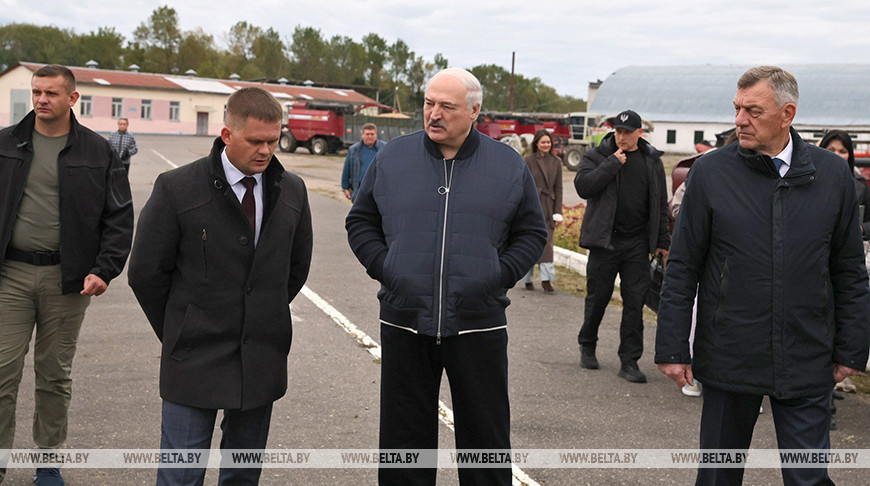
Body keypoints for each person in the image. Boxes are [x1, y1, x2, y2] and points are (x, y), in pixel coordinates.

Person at [656, 66, 870, 485]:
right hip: (730, 354)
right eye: (737, 109)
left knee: (808, 479)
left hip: (808, 354)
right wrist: (672, 346)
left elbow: (849, 270)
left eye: (753, 111)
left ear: (787, 114)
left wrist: (851, 350)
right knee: (718, 476)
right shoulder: (711, 173)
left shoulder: (831, 176)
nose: (739, 120)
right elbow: (682, 267)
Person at [346, 68, 547, 485]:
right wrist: (389, 268)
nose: (434, 114)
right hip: (405, 320)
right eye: (428, 103)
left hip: (478, 322)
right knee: (404, 444)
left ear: (474, 111)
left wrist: (497, 275)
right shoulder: (393, 158)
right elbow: (361, 221)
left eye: (447, 106)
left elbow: (532, 233)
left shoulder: (507, 165)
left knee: (485, 443)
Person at [128, 87, 313, 485]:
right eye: (256, 141)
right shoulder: (177, 188)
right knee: (180, 475)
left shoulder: (292, 190)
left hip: (261, 359)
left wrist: (261, 315)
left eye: (273, 140)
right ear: (227, 134)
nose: (266, 150)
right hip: (193, 359)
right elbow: (145, 273)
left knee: (243, 475)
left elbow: (295, 269)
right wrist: (183, 328)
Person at [0, 64, 133, 485]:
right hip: (10, 276)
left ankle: (48, 459)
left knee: (54, 374)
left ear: (73, 98)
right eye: (37, 91)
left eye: (51, 93)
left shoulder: (98, 152)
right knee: (2, 372)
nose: (42, 99)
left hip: (68, 280)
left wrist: (104, 269)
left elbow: (119, 217)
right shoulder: (6, 144)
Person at [574, 109, 670, 383]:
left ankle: (629, 361)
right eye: (618, 131)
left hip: (637, 244)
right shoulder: (597, 156)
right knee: (598, 299)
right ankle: (587, 344)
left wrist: (662, 241)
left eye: (628, 132)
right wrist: (612, 163)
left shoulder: (651, 160)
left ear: (640, 133)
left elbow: (660, 204)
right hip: (605, 242)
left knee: (634, 303)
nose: (621, 137)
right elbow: (583, 187)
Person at [521, 130, 563, 292]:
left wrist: (557, 210)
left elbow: (558, 188)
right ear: (537, 143)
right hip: (532, 205)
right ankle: (527, 279)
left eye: (548, 142)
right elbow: (522, 184)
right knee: (529, 241)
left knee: (547, 243)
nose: (546, 145)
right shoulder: (528, 160)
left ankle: (546, 279)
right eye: (543, 142)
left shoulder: (557, 162)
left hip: (549, 207)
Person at [341, 122, 385, 201]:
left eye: (372, 134)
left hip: (379, 189)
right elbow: (347, 169)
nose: (370, 137)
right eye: (367, 134)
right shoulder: (354, 150)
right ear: (362, 135)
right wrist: (345, 188)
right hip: (360, 190)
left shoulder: (384, 148)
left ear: (376, 135)